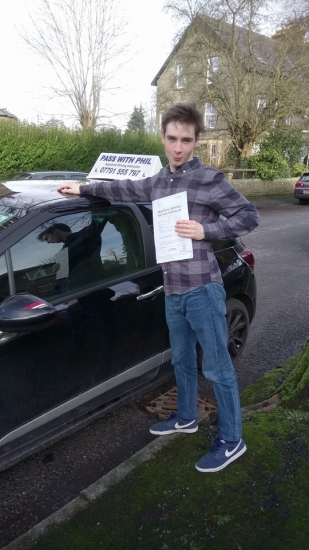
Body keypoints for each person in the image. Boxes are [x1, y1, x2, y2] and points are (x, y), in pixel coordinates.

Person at [57, 103, 260, 473]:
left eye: (186, 139)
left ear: (197, 140)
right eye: (172, 138)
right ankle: (186, 417)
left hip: (202, 289)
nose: (178, 147)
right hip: (173, 290)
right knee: (181, 360)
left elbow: (250, 215)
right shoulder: (159, 181)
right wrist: (82, 188)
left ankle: (232, 439)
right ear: (163, 138)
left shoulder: (210, 180)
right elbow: (124, 188)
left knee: (216, 369)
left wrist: (207, 231)